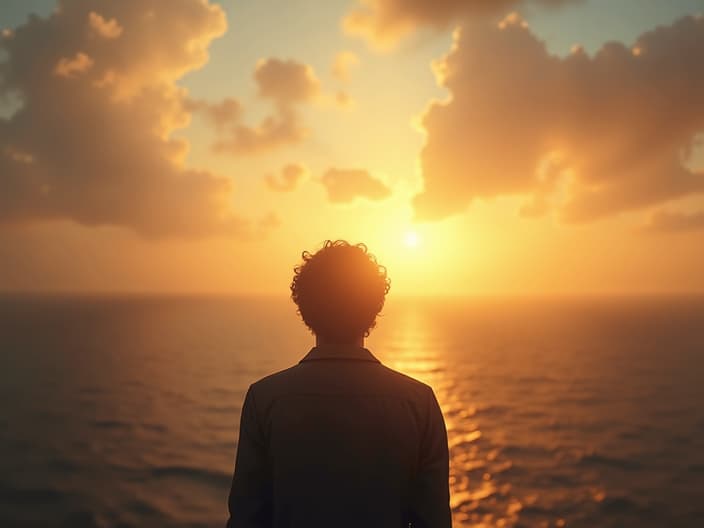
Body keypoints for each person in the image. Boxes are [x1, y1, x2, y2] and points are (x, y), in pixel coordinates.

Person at [227, 240, 451, 527]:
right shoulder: (419, 403)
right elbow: (433, 521)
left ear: (305, 307)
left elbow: (247, 518)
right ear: (373, 307)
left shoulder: (265, 399)